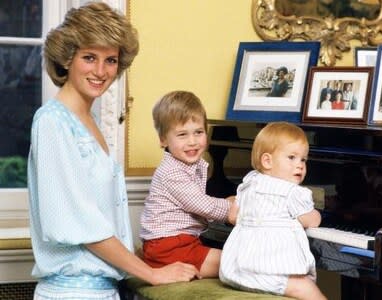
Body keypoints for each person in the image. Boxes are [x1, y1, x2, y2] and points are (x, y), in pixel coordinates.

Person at [27, 3, 199, 299]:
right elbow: (80, 225)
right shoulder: (52, 122)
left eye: (110, 60)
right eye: (89, 57)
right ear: (67, 58)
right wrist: (152, 273)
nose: (100, 71)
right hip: (72, 293)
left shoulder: (89, 121)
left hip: (101, 291)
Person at [220, 122, 327, 300]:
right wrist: (316, 213)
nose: (300, 165)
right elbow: (311, 221)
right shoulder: (293, 192)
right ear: (267, 161)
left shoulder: (249, 183)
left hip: (235, 270)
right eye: (292, 157)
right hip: (267, 272)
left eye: (303, 159)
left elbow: (232, 216)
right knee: (306, 288)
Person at [140, 90, 235, 279]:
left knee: (235, 259)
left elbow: (201, 203)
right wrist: (233, 209)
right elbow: (204, 206)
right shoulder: (172, 172)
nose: (192, 142)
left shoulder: (191, 165)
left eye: (198, 132)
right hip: (168, 246)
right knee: (236, 263)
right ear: (163, 140)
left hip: (182, 242)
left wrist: (227, 203)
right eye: (182, 134)